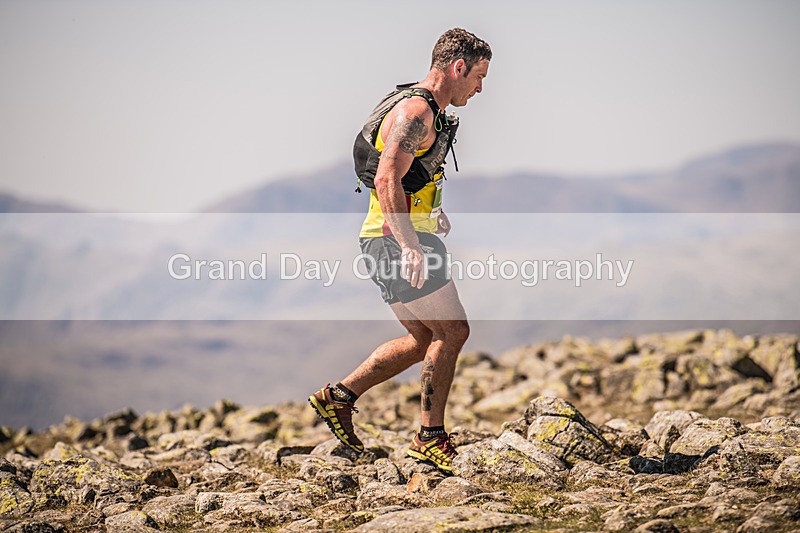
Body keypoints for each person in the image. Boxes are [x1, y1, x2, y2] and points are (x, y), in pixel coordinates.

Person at [309, 28, 491, 473]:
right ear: (458, 67)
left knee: (423, 339)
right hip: (397, 241)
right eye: (479, 76)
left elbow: (413, 176)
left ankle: (339, 397)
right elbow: (387, 179)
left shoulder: (419, 107)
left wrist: (436, 210)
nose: (481, 87)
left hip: (392, 236)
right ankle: (430, 437)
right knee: (453, 331)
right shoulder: (416, 112)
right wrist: (410, 245)